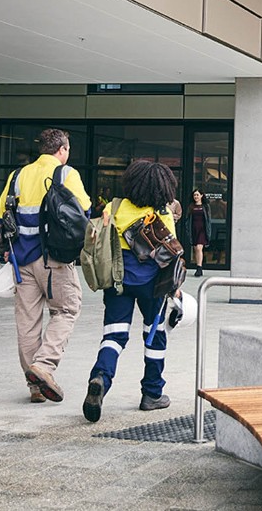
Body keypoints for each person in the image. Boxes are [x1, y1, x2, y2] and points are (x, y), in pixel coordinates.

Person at [0, 128, 90, 404]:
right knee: (67, 309)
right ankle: (44, 367)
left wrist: (6, 252)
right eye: (67, 149)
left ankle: (34, 385)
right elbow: (84, 208)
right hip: (54, 261)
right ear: (61, 150)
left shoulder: (17, 176)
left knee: (27, 322)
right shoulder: (66, 174)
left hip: (20, 261)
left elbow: (2, 217)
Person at [83, 160, 179, 422]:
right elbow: (170, 256)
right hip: (152, 287)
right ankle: (152, 393)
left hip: (118, 283)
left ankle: (101, 377)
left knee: (114, 336)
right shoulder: (163, 215)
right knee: (154, 335)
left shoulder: (114, 208)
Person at [184, 189, 211, 277]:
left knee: (199, 248)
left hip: (202, 230)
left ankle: (199, 268)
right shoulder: (191, 206)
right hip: (193, 230)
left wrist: (208, 232)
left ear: (201, 195)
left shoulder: (205, 206)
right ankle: (198, 265)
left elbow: (208, 220)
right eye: (194, 195)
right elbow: (187, 219)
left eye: (197, 195)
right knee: (196, 249)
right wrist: (188, 230)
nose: (196, 197)